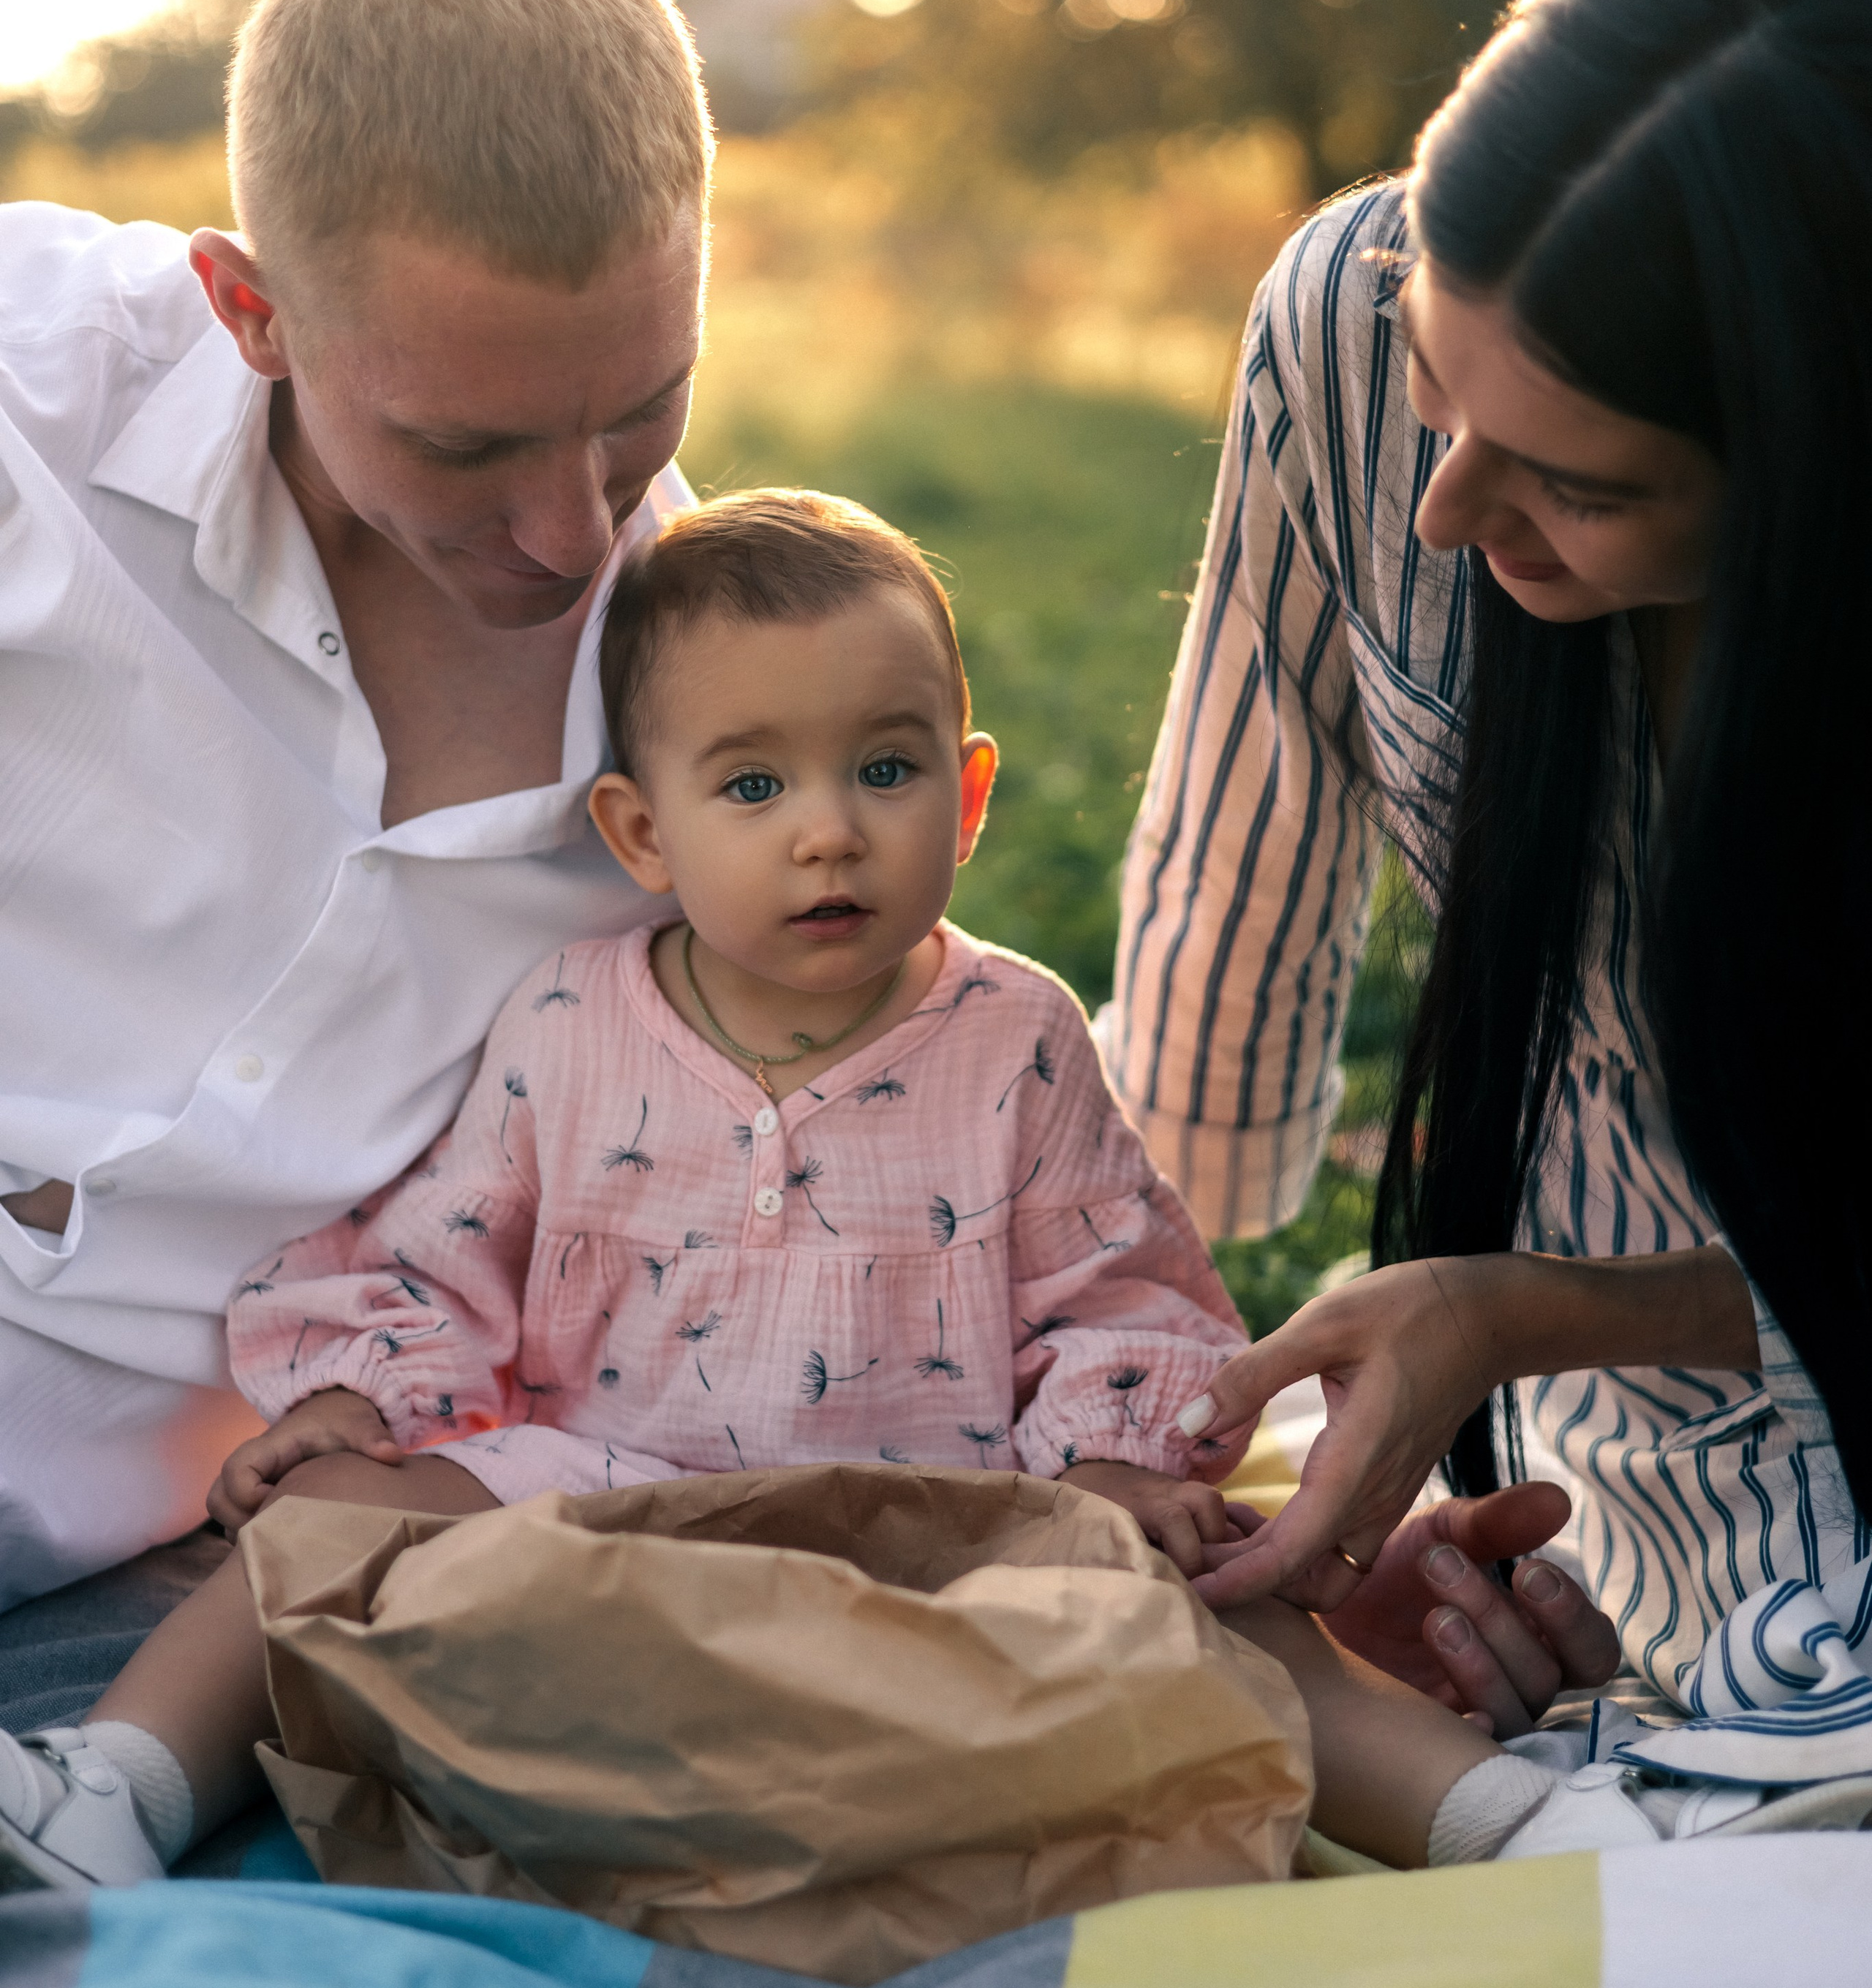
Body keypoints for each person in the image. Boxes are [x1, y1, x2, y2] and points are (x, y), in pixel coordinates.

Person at [1, 488, 1818, 1892]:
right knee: (311, 1529)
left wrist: (1117, 1463)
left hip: (940, 1515)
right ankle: (122, 1788)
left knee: (1211, 1612)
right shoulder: (568, 1015)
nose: (826, 829)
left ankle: (1517, 1824)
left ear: (964, 794)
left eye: (882, 771)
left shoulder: (1012, 1034)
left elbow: (1118, 1290)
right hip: (605, 1496)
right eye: (753, 783)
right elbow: (444, 1254)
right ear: (641, 831)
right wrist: (354, 1394)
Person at [1109, 0, 1872, 1755]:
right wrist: (1134, 1415)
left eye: (1580, 485)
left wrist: (1525, 1308)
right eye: (1437, 384)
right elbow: (1237, 892)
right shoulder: (1339, 317)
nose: (1444, 510)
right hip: (1581, 1470)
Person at [0, 0, 705, 1607]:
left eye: (641, 408)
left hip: (198, 1568)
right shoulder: (32, 396)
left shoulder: (727, 691)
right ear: (252, 310)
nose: (566, 530)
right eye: (466, 444)